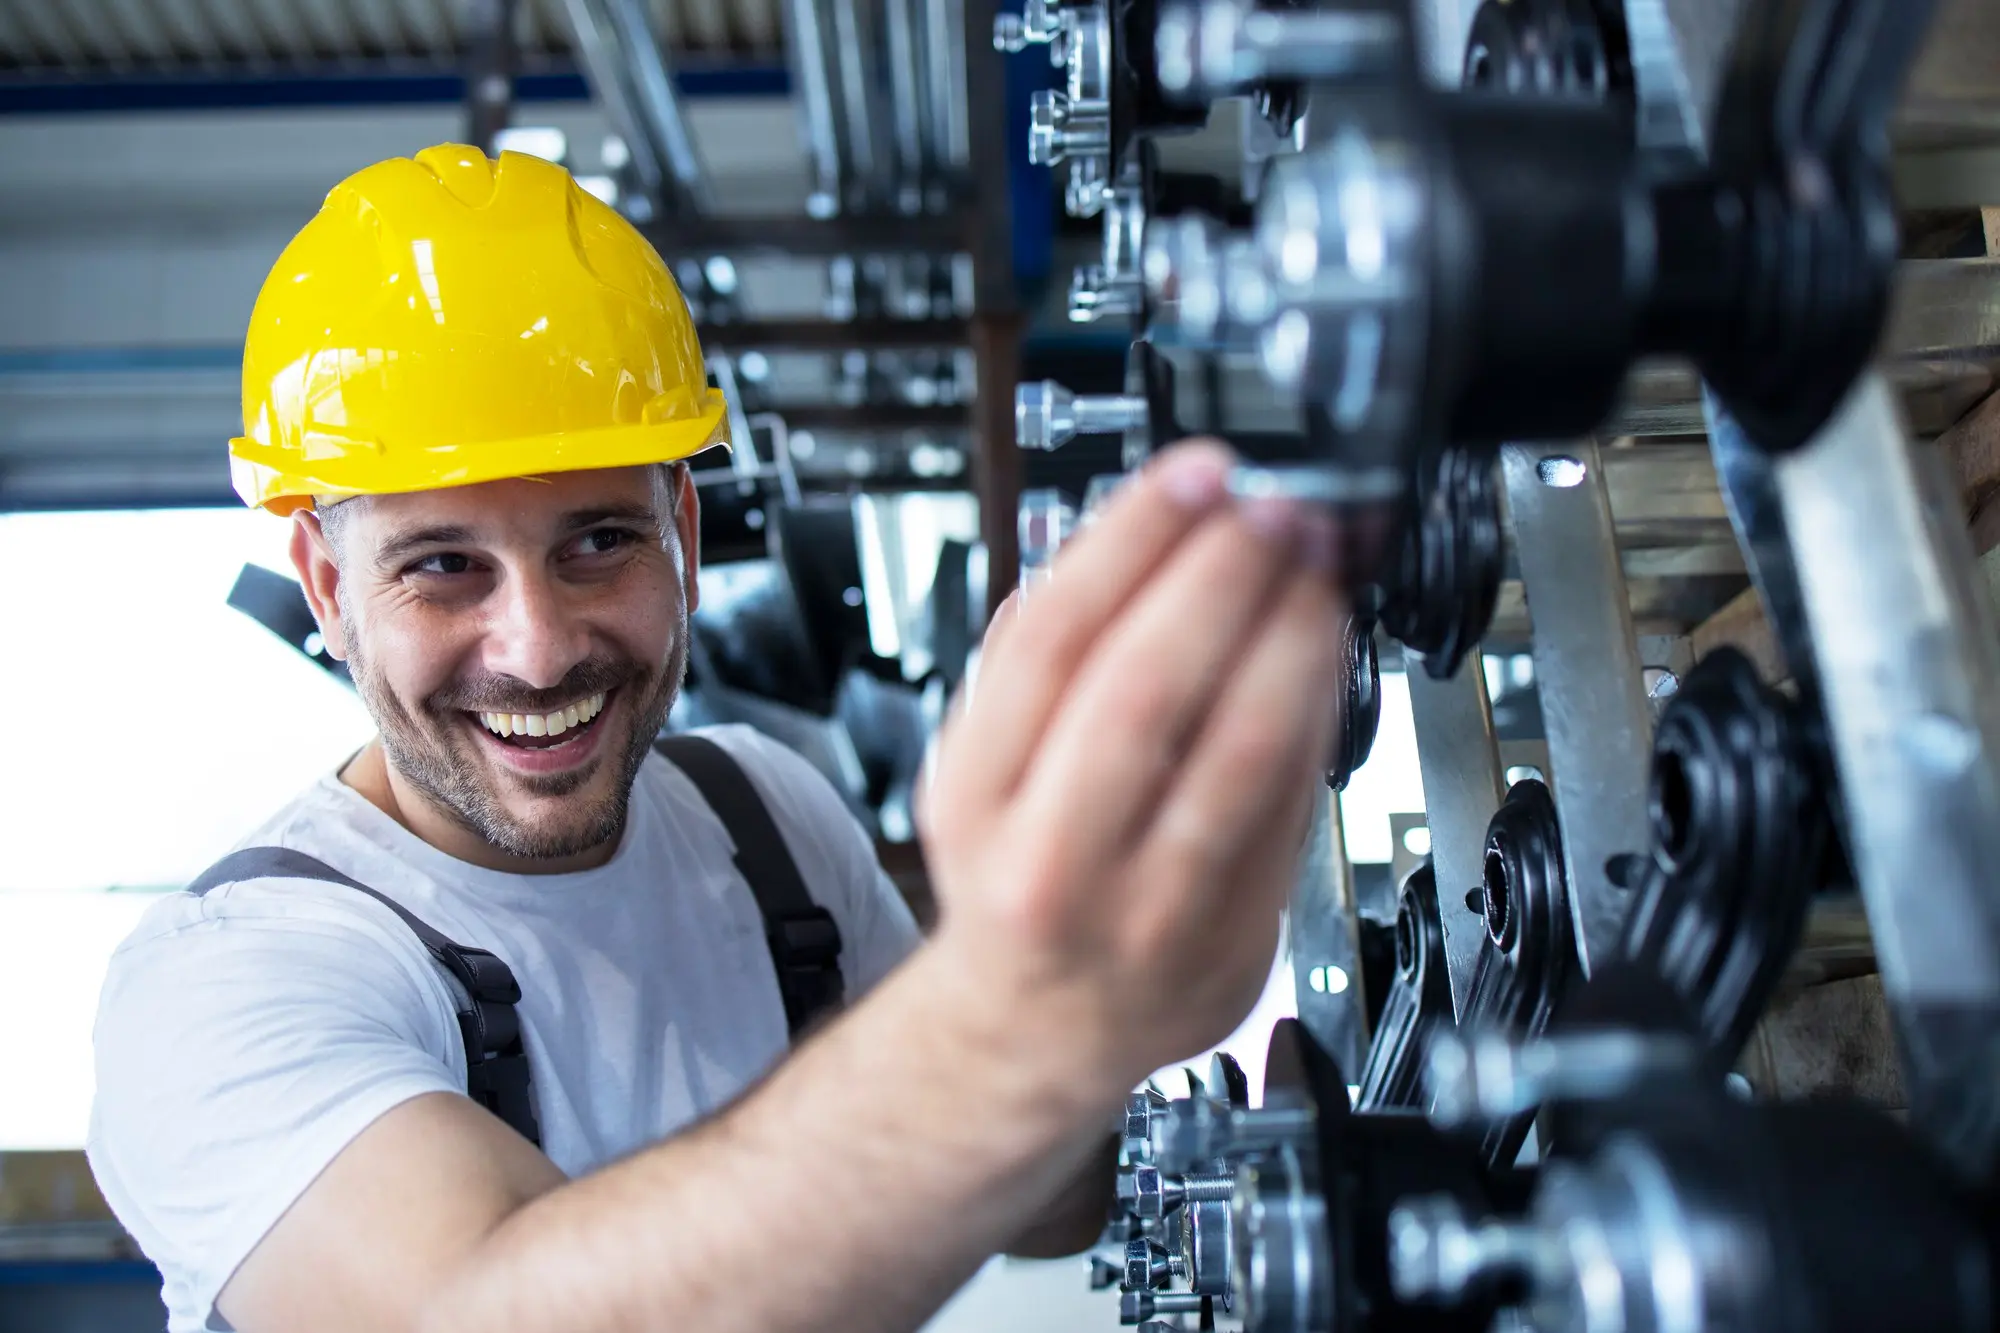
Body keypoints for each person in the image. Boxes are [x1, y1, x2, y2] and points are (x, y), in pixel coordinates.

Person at [86, 145, 1346, 1333]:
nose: (536, 648)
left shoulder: (765, 825)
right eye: (442, 568)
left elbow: (1030, 1190)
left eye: (598, 541)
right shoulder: (221, 988)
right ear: (324, 586)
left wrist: (1115, 970)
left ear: (683, 533)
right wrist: (1025, 1011)